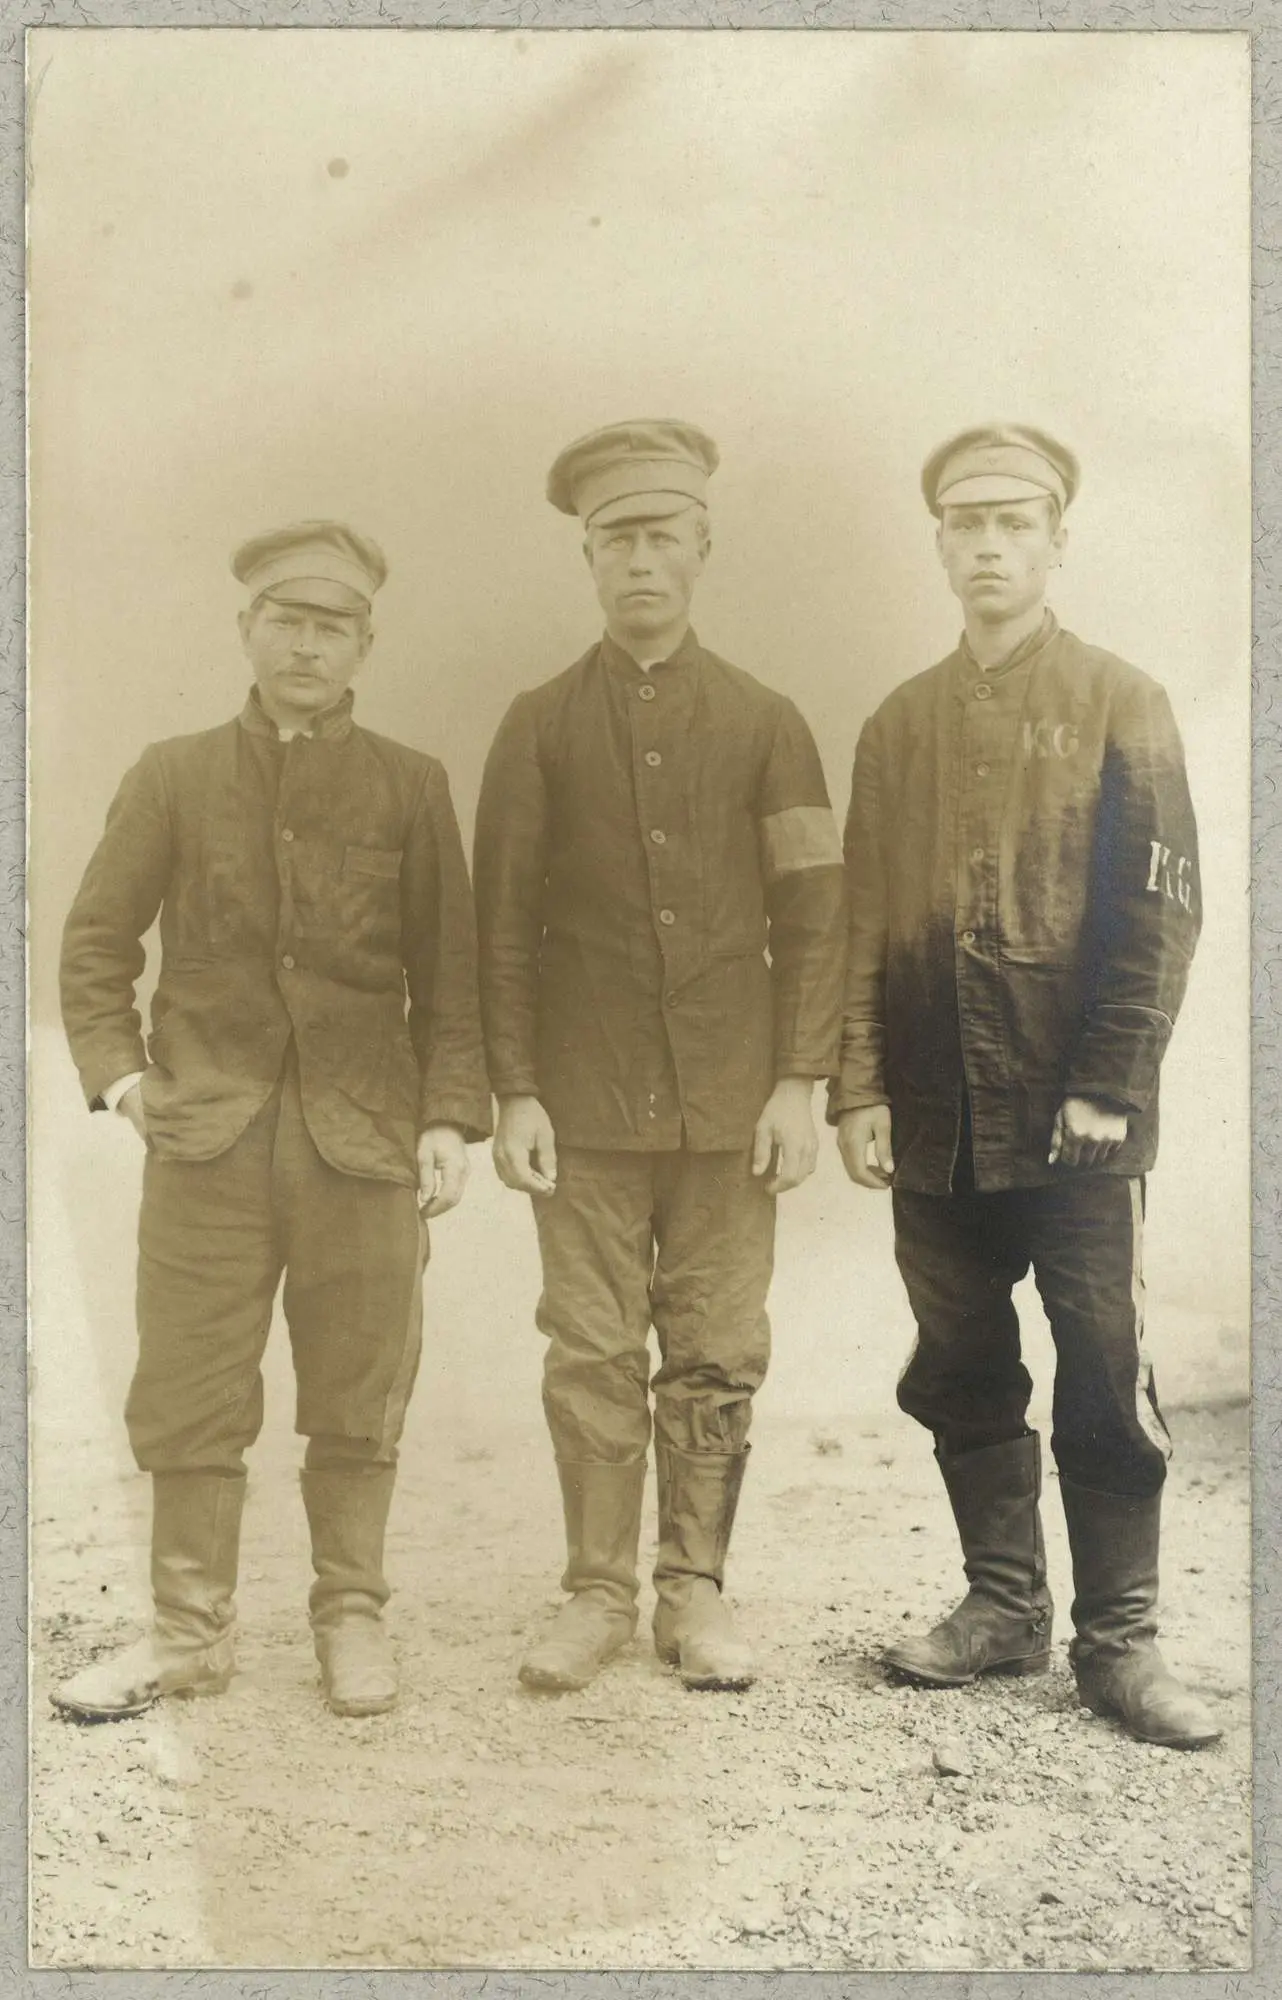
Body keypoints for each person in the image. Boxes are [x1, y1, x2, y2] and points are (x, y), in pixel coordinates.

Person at [57, 521, 491, 1722]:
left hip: (365, 1135)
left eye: (332, 625)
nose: (307, 644)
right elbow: (95, 944)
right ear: (246, 629)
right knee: (189, 1381)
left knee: (360, 1383)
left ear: (365, 644)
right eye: (287, 620)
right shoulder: (173, 773)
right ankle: (186, 1631)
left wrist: (447, 1118)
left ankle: (350, 1618)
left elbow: (450, 975)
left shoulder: (410, 783)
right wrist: (126, 1080)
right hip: (207, 1136)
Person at [832, 425, 1220, 1749]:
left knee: (1099, 1365)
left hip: (1077, 1122)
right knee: (957, 1359)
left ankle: (1118, 1642)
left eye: (1014, 522)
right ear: (939, 543)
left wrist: (1107, 1082)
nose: (988, 545)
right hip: (934, 1115)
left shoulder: (1121, 699)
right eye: (966, 523)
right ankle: (1002, 1607)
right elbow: (861, 924)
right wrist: (859, 1087)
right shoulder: (897, 725)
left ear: (1057, 540)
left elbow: (1158, 913)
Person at [474, 421, 845, 1693]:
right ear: (586, 557)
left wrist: (798, 1080)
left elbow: (814, 915)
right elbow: (500, 926)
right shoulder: (535, 725)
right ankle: (594, 1592)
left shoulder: (768, 722)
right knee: (588, 1346)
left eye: (660, 536)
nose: (639, 560)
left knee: (716, 1345)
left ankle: (694, 1590)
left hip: (730, 1104)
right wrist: (516, 1088)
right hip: (580, 1104)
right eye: (614, 539)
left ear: (702, 547)